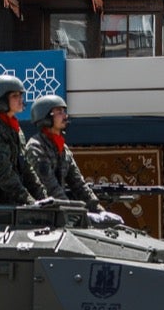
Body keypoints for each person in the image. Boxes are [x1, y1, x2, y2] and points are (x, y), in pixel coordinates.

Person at [23, 95, 122, 225]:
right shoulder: (36, 147)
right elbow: (51, 188)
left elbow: (78, 184)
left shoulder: (63, 149)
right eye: (59, 112)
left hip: (60, 213)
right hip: (39, 216)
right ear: (46, 117)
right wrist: (77, 214)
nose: (65, 115)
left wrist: (99, 211)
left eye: (64, 111)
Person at [0, 74, 44, 206]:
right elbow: (5, 176)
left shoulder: (15, 130)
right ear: (1, 101)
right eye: (15, 96)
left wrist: (43, 197)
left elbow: (27, 169)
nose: (20, 99)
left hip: (11, 206)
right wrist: (30, 201)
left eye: (20, 95)